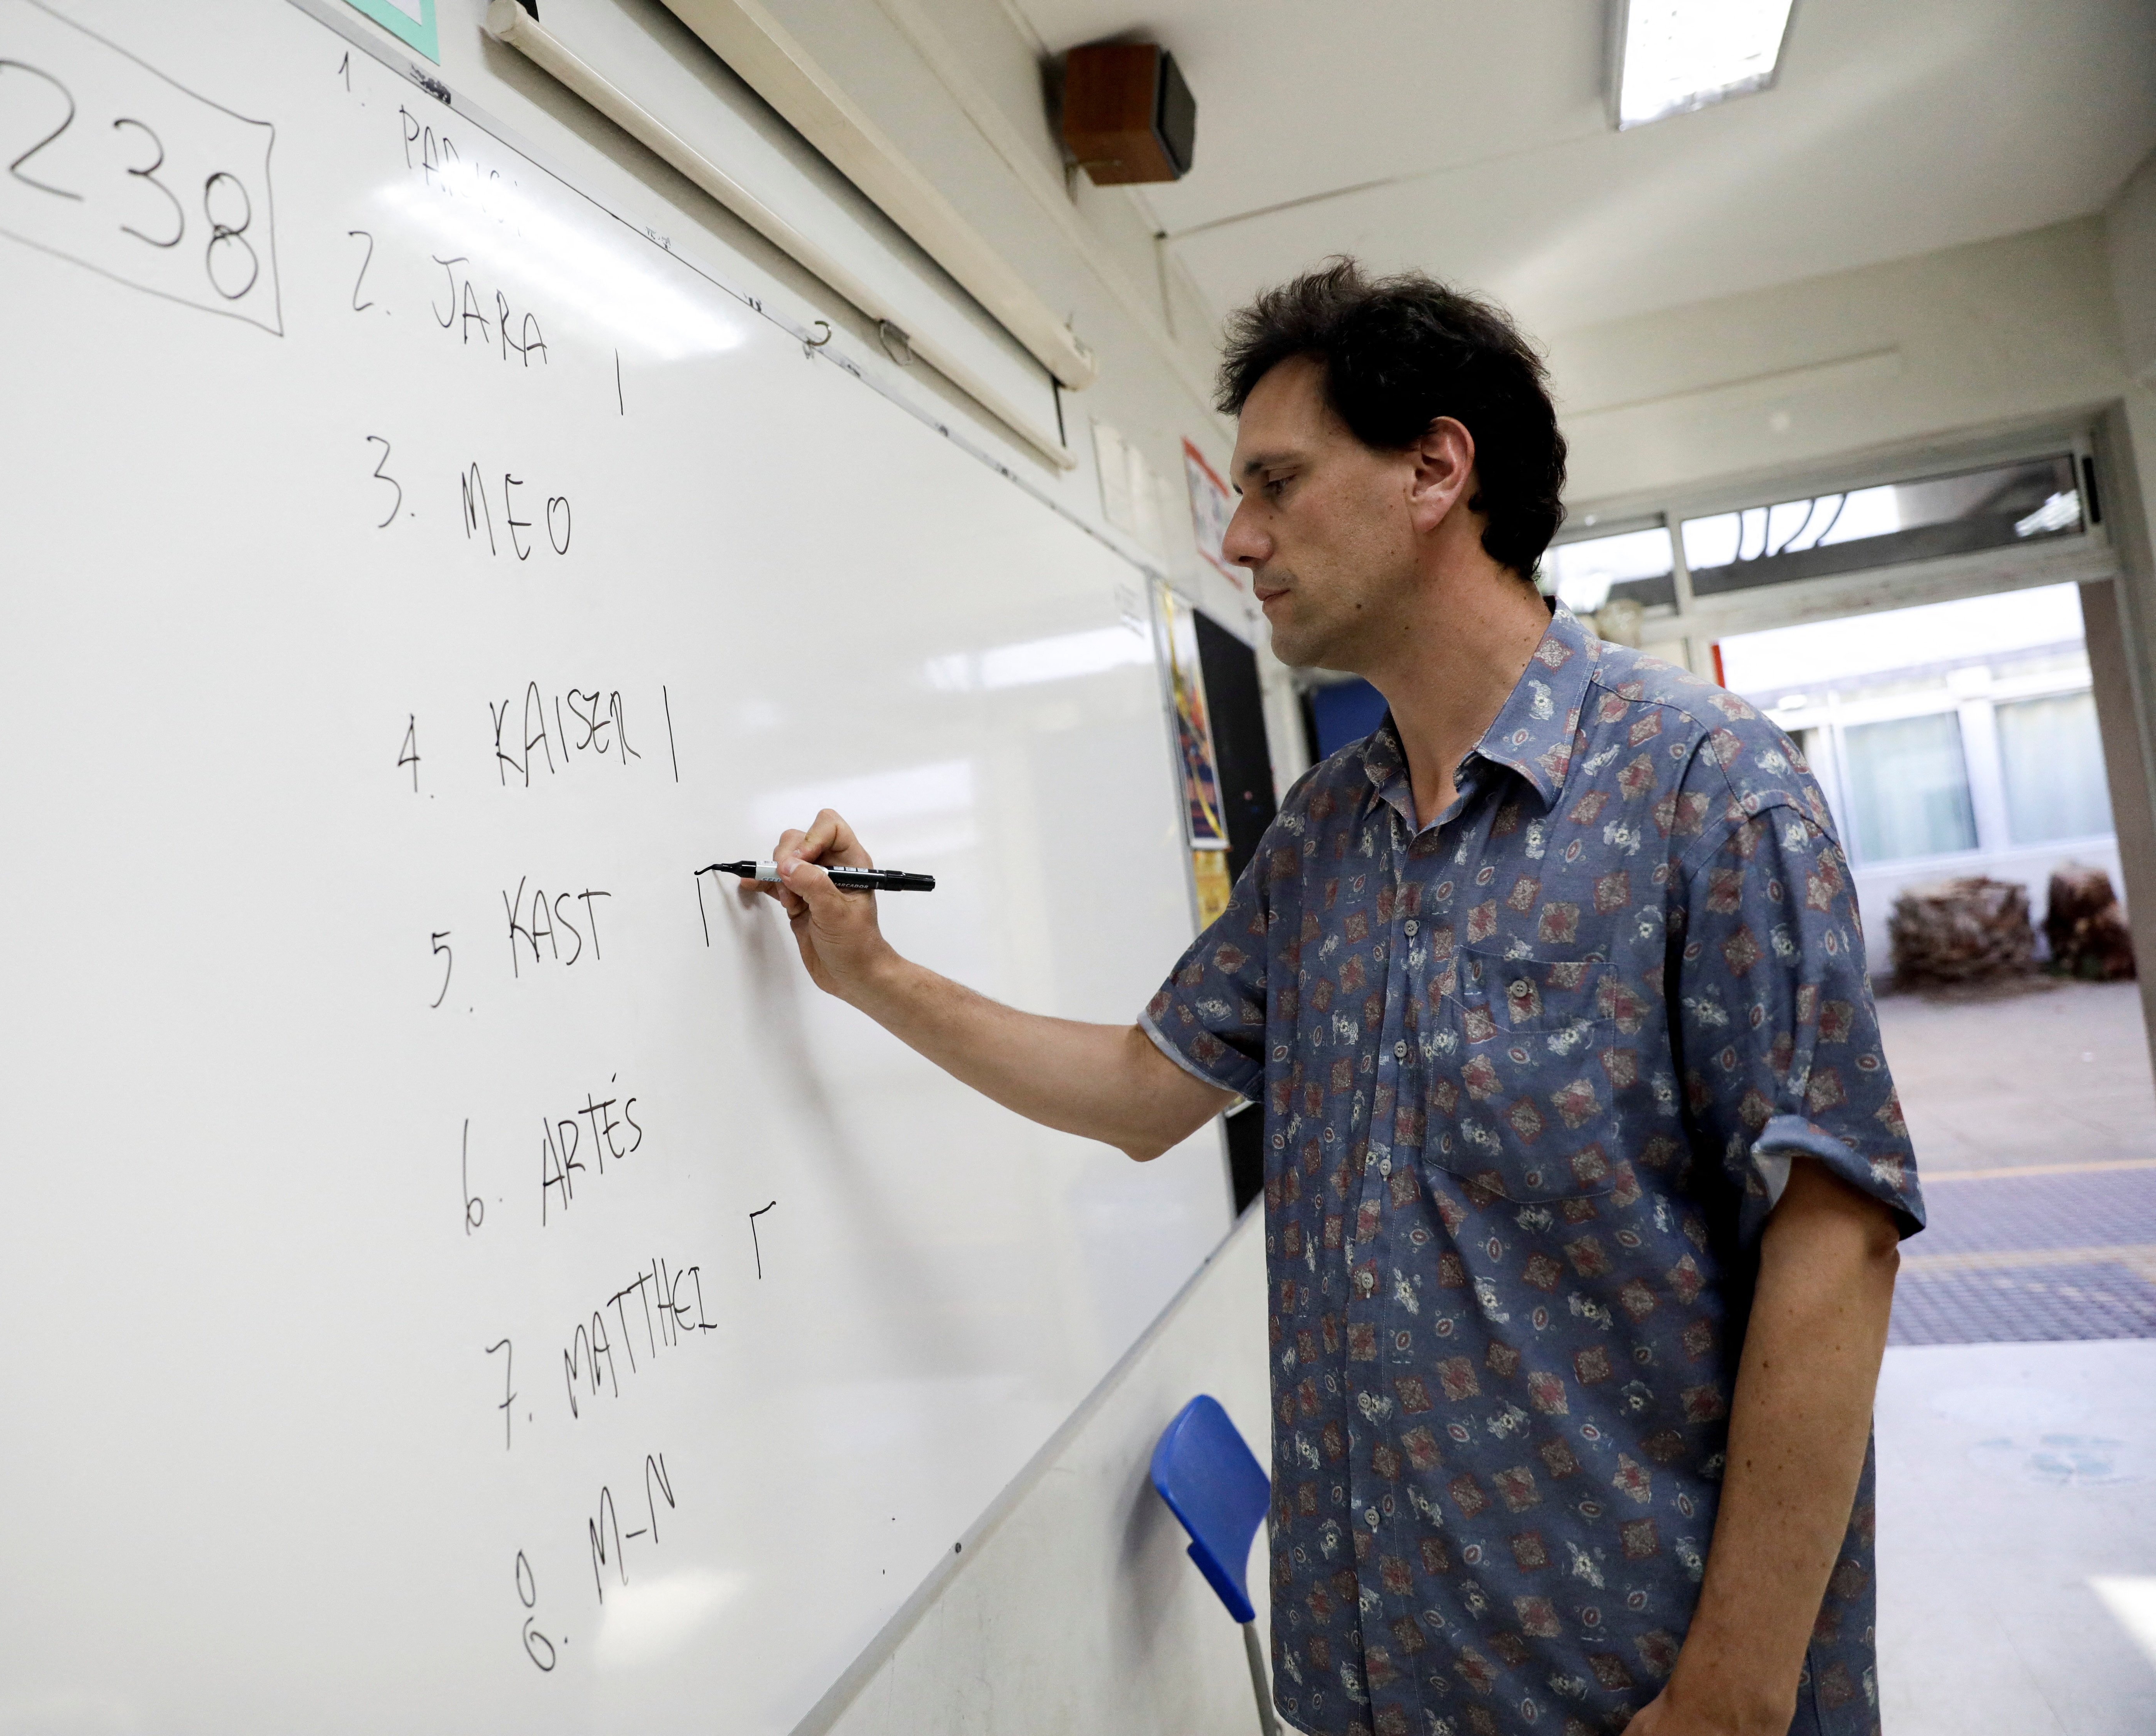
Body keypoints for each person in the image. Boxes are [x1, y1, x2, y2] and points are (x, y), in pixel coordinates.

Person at [748, 259, 1924, 1736]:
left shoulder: (1705, 787)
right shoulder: (1322, 838)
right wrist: (873, 973)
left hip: (1632, 1692)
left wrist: (1732, 1700)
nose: (1240, 537)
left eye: (1278, 483)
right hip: (1376, 1685)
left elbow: (1836, 1233)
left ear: (1436, 470)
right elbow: (1143, 1092)